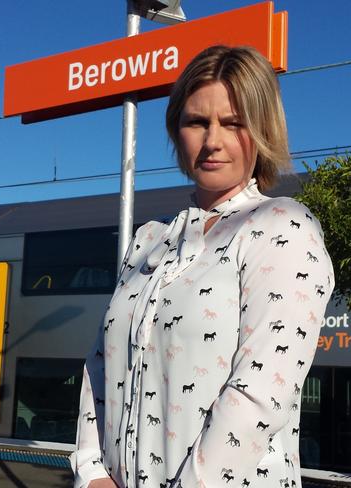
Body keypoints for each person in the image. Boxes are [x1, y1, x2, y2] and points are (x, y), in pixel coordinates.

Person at [70, 45, 334, 488]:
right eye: (197, 121)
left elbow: (260, 391)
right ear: (177, 131)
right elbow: (100, 365)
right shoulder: (148, 241)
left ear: (264, 129)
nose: (213, 141)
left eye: (234, 123)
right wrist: (91, 470)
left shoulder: (282, 226)